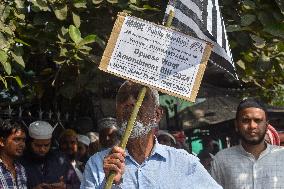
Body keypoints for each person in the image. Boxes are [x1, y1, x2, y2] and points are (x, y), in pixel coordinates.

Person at [81, 81, 222, 188]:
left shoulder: (184, 163)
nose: (130, 102)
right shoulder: (97, 164)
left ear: (157, 114)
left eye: (140, 98)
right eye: (123, 99)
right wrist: (111, 183)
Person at [210, 98, 284, 189]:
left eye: (258, 120)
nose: (252, 126)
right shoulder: (221, 160)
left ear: (266, 125)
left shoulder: (281, 156)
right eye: (245, 120)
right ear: (236, 125)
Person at [20, 120, 72, 189]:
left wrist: (65, 187)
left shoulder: (61, 159)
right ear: (29, 143)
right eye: (37, 145)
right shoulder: (19, 163)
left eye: (46, 145)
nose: (42, 149)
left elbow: (78, 184)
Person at [0, 119, 27, 189]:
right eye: (17, 139)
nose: (22, 144)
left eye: (23, 140)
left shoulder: (21, 169)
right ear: (2, 142)